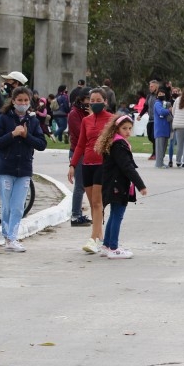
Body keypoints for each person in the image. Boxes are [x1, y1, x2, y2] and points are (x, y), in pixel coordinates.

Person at [0, 87, 46, 251]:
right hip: (6, 168)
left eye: (26, 100)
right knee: (7, 206)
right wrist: (12, 134)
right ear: (13, 101)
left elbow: (41, 144)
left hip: (24, 169)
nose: (23, 103)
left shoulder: (33, 121)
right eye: (20, 100)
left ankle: (12, 237)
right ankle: (6, 236)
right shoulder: (3, 119)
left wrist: (26, 136)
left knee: (18, 206)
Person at [94, 115, 148, 259]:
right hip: (117, 185)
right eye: (124, 128)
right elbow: (127, 167)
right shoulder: (119, 145)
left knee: (114, 214)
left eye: (130, 128)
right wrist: (140, 185)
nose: (128, 131)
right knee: (117, 215)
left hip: (113, 183)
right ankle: (113, 248)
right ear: (116, 129)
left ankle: (107, 245)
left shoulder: (114, 142)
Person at [68, 88, 115, 253]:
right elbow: (80, 144)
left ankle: (93, 239)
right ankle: (100, 234)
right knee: (93, 203)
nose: (94, 103)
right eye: (92, 100)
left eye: (98, 100)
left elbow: (120, 140)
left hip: (103, 164)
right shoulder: (86, 121)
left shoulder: (112, 120)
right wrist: (73, 165)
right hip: (87, 164)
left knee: (96, 202)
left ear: (105, 101)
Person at [68, 87, 92, 226]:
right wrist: (90, 118)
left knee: (85, 185)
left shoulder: (87, 113)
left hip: (88, 152)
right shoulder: (74, 114)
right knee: (80, 185)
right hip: (78, 152)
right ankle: (75, 215)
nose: (90, 102)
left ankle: (79, 213)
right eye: (88, 99)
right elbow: (84, 134)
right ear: (81, 99)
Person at [137, 80, 159, 160]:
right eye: (150, 86)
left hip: (157, 119)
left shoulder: (159, 95)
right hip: (150, 119)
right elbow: (146, 107)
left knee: (154, 136)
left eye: (152, 86)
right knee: (150, 136)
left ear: (156, 87)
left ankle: (155, 154)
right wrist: (140, 115)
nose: (150, 88)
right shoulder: (149, 96)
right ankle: (158, 149)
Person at [153, 89, 172, 168]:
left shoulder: (164, 103)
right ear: (157, 95)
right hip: (160, 129)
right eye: (160, 94)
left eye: (163, 94)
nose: (162, 95)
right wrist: (169, 110)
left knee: (163, 147)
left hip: (166, 129)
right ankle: (158, 164)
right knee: (160, 148)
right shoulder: (157, 103)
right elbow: (161, 112)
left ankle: (161, 162)